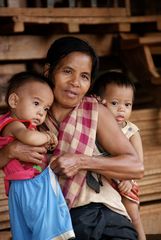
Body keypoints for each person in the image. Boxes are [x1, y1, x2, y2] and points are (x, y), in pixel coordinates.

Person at [0, 36, 144, 240]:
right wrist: (10, 151)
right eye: (67, 71)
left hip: (103, 216)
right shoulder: (29, 117)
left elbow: (136, 167)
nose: (75, 83)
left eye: (84, 76)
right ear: (49, 71)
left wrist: (81, 161)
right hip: (50, 223)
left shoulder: (95, 111)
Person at [0, 71, 75, 240]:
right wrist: (48, 137)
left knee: (25, 233)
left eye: (45, 108)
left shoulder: (18, 124)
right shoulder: (14, 125)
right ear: (14, 101)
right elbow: (30, 138)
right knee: (47, 230)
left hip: (19, 187)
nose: (41, 113)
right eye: (36, 103)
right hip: (30, 185)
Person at [92, 69, 146, 240]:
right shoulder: (96, 127)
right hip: (102, 181)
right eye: (115, 103)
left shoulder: (131, 131)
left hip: (126, 182)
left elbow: (138, 163)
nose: (122, 109)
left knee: (133, 215)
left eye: (127, 104)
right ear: (100, 103)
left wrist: (128, 181)